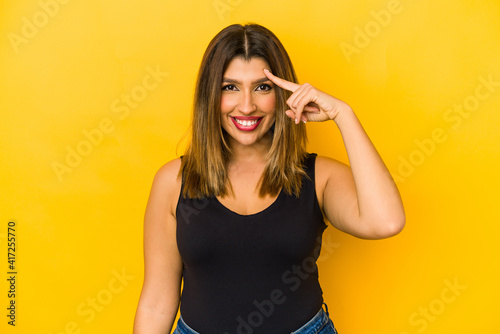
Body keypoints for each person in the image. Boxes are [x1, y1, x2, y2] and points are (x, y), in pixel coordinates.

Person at [133, 23, 405, 334]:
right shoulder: (174, 181)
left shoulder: (318, 177)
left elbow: (386, 222)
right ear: (210, 95)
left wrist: (344, 115)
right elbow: (156, 300)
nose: (246, 105)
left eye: (262, 87)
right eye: (229, 87)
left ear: (282, 93)